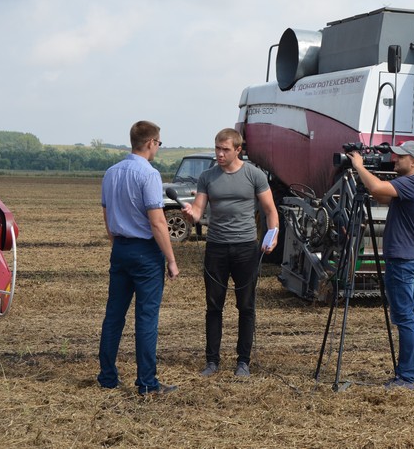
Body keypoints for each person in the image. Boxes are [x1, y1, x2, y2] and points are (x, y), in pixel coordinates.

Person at [182, 128, 279, 378]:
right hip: (216, 247)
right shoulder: (207, 177)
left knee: (246, 306)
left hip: (246, 247)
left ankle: (243, 362)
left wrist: (272, 235)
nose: (220, 153)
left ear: (238, 150)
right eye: (217, 148)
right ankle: (212, 361)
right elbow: (198, 211)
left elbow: (270, 211)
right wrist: (190, 215)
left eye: (225, 149)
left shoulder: (254, 175)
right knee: (214, 306)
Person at [97, 120, 180, 396]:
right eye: (158, 143)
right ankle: (147, 382)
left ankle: (107, 376)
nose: (157, 148)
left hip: (120, 249)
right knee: (146, 318)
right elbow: (157, 222)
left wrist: (118, 243)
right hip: (145, 252)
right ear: (150, 143)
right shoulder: (149, 174)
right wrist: (171, 259)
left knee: (113, 315)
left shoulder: (111, 173)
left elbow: (108, 217)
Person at [348, 140, 414, 390]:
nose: (394, 160)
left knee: (405, 318)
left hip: (403, 260)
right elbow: (380, 193)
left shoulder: (413, 182)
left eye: (400, 157)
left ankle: (406, 377)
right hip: (413, 259)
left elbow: (375, 185)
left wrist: (359, 166)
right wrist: (367, 178)